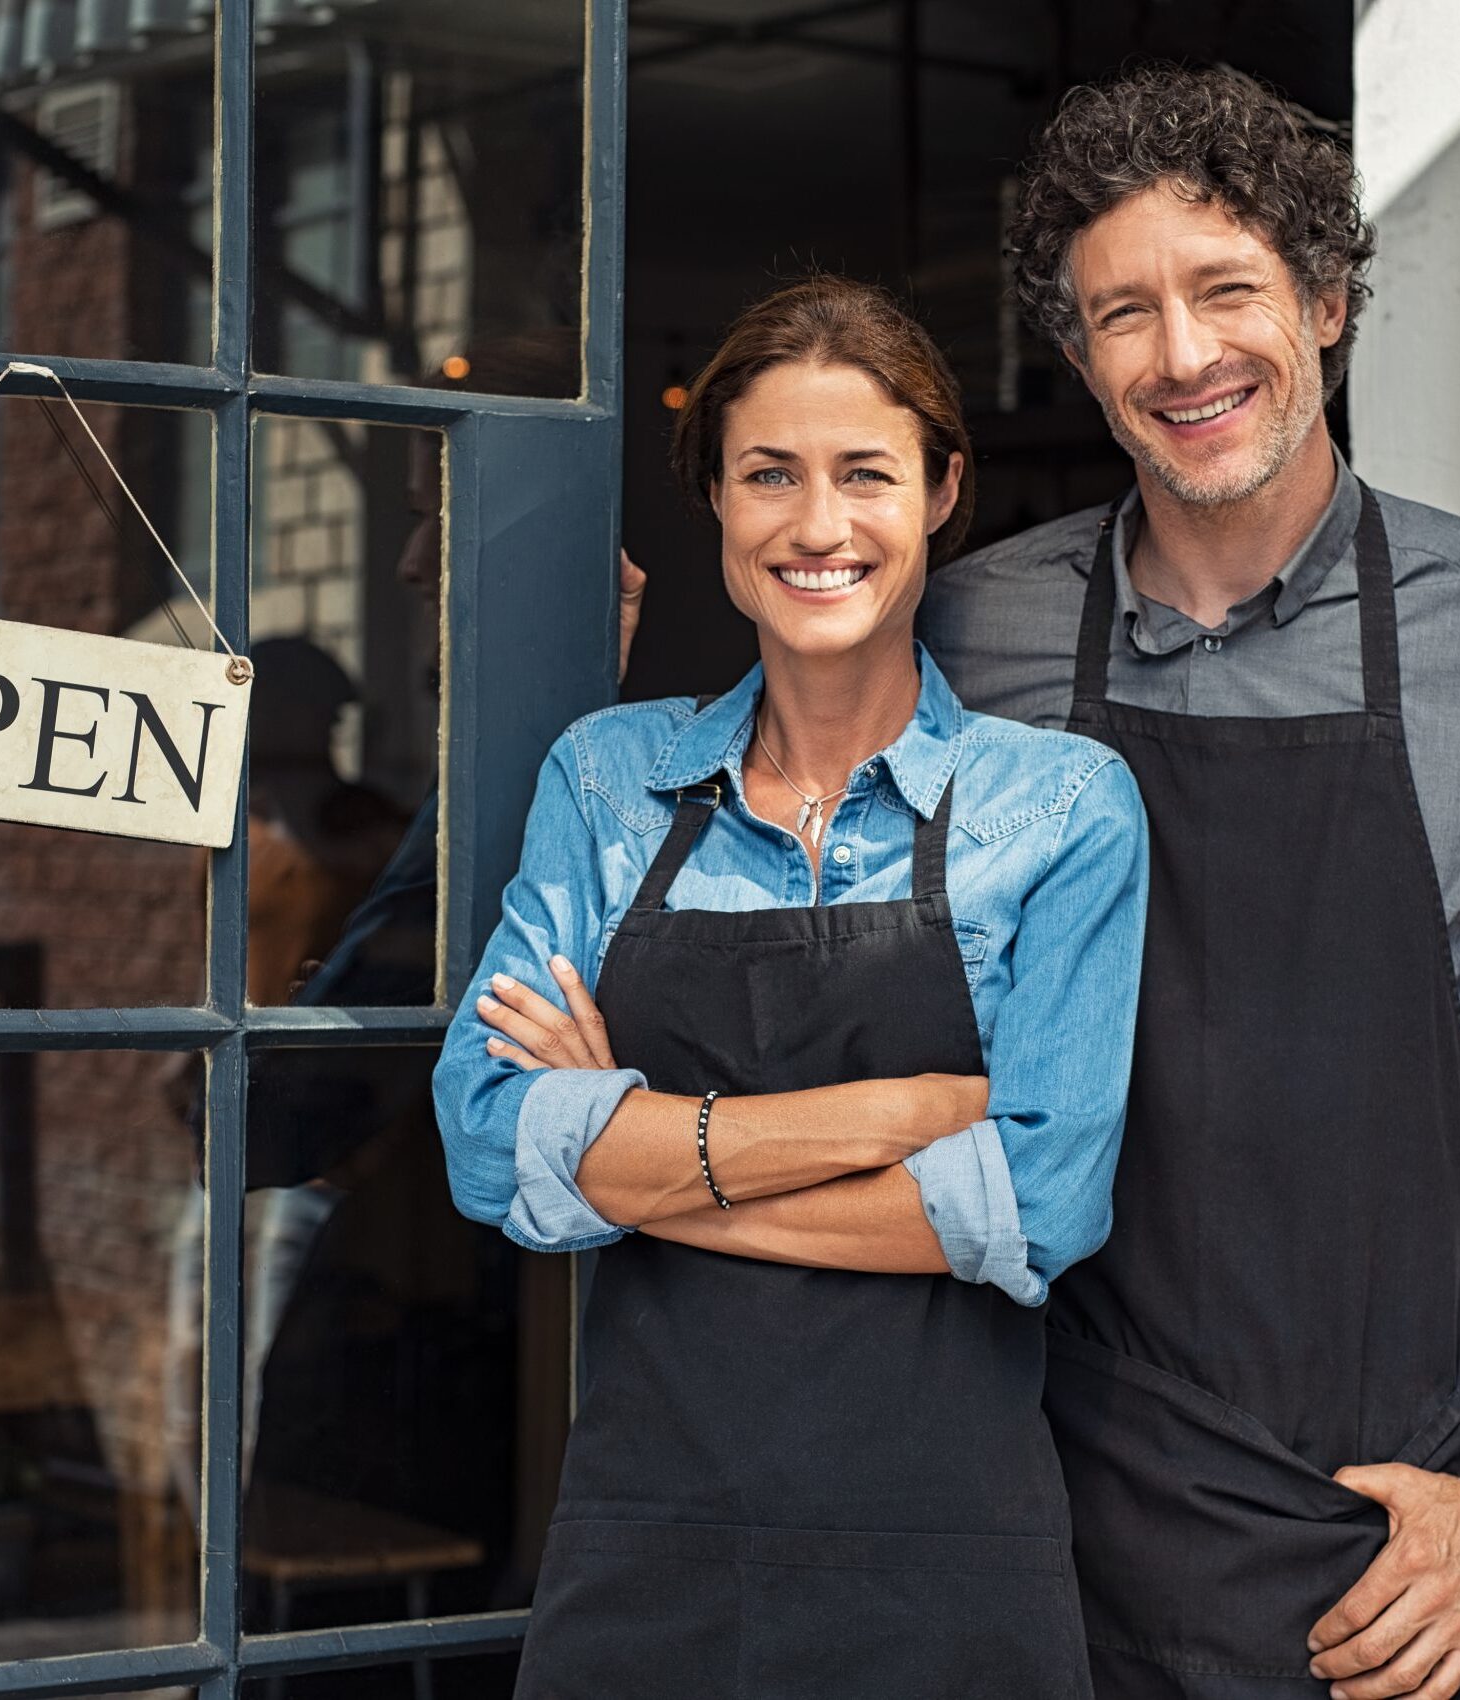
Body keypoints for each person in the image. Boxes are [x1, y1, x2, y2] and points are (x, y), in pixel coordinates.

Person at [919, 62, 1460, 1700]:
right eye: (1121, 314)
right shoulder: (971, 635)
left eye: (1226, 289)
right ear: (1079, 353)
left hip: (1386, 1554)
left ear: (1323, 301)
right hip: (1032, 1502)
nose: (1182, 356)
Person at [432, 276, 1148, 1697]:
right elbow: (483, 1139)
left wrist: (641, 1164)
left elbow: (1044, 1205)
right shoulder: (611, 780)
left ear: (943, 491)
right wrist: (902, 1114)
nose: (817, 526)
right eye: (769, 475)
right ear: (715, 503)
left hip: (947, 1568)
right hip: (651, 1552)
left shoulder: (1061, 808)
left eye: (864, 474)